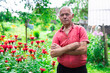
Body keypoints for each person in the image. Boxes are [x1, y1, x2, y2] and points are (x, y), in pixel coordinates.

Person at [50, 6, 89, 73]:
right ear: (59, 18)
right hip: (62, 69)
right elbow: (53, 53)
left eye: (67, 14)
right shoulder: (57, 34)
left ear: (72, 16)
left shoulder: (80, 29)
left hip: (80, 69)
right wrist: (73, 46)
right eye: (62, 15)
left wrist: (61, 50)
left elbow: (83, 50)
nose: (64, 17)